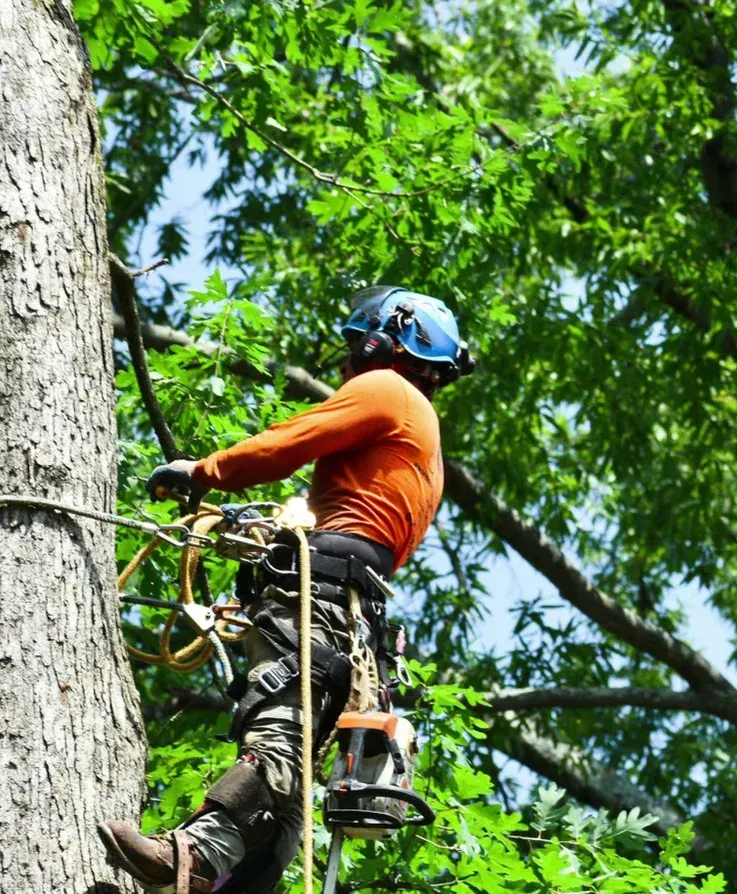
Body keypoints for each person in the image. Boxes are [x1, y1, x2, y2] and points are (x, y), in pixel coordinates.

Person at [98, 286, 474, 893]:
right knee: (297, 774)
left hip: (322, 591)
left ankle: (195, 854)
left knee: (281, 721)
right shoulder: (424, 439)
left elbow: (289, 443)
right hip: (357, 617)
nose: (348, 363)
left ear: (387, 339)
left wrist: (203, 471)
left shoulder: (388, 392)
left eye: (357, 346)